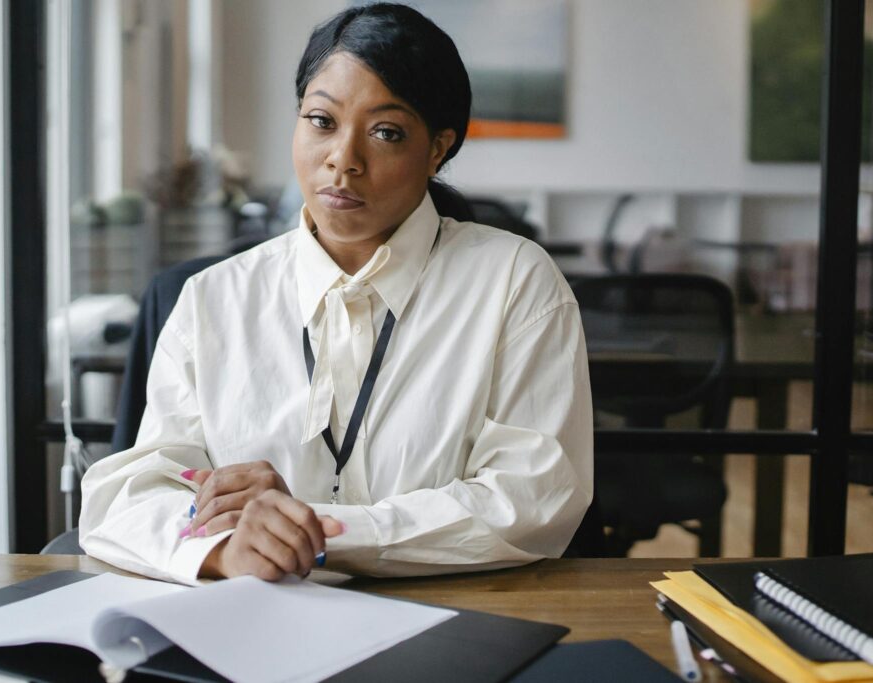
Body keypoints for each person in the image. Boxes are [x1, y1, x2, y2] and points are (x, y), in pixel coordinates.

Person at [79, 2, 592, 584]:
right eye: (321, 121)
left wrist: (316, 531)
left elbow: (531, 498)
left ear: (437, 148)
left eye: (385, 133)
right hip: (256, 617)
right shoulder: (212, 299)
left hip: (458, 612)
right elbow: (126, 498)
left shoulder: (514, 282)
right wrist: (225, 551)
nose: (343, 160)